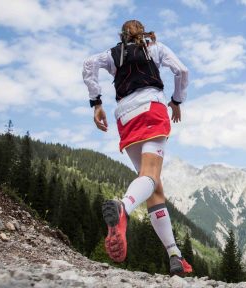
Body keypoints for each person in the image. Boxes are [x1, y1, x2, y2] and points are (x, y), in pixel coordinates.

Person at [82, 19, 191, 275]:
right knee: (150, 178)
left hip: (125, 116)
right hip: (151, 108)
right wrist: (176, 100)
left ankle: (174, 255)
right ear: (143, 33)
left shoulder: (113, 54)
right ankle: (124, 208)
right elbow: (182, 71)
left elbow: (88, 64)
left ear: (122, 35)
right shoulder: (155, 48)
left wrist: (96, 103)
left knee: (152, 185)